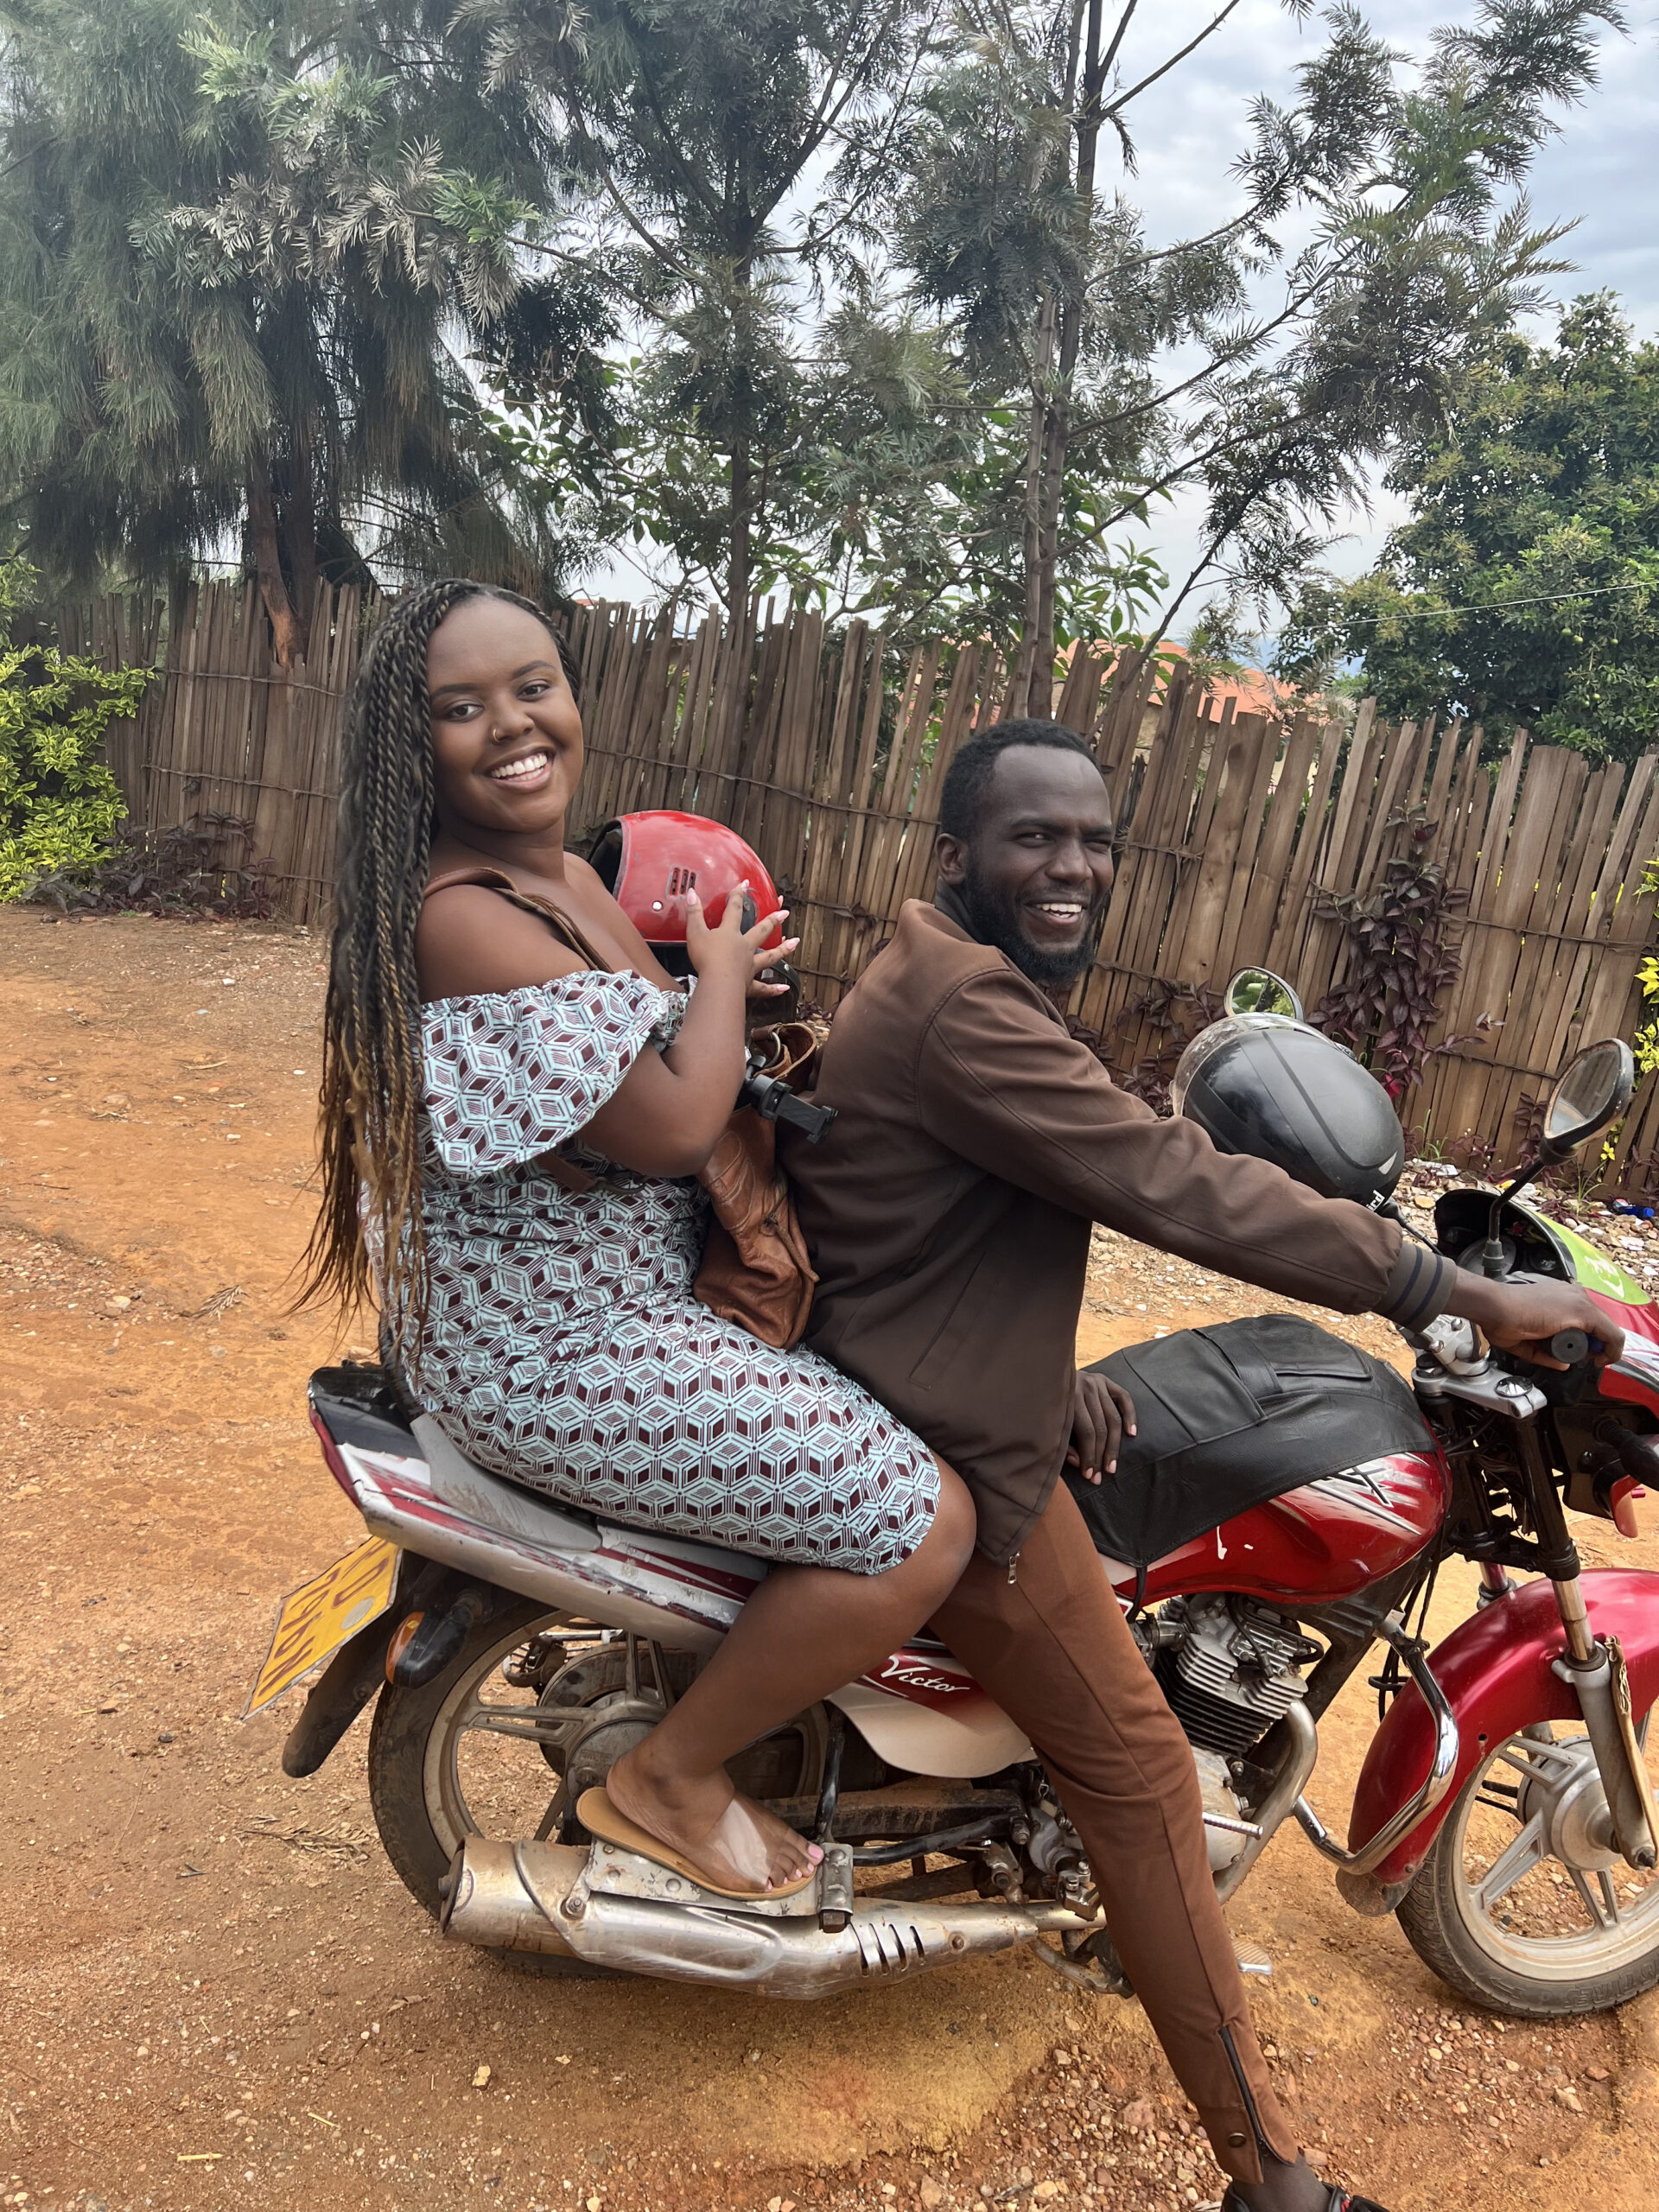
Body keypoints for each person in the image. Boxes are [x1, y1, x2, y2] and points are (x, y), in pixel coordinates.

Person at [783, 717, 1621, 2212]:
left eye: (1096, 840)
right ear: (958, 853)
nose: (1075, 865)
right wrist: (1459, 1292)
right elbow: (1170, 1181)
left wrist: (1053, 1375)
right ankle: (1273, 2180)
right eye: (1037, 836)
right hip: (939, 1436)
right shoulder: (973, 1007)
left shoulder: (950, 976)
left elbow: (991, 1207)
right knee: (1143, 1771)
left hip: (941, 1370)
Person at [301, 577, 975, 1900]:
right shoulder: (462, 916)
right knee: (924, 1528)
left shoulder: (548, 875)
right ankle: (671, 1775)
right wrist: (721, 977)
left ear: (574, 694)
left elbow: (645, 1040)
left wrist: (711, 996)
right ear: (408, 743)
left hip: (597, 1314)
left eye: (533, 686)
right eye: (460, 708)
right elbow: (671, 1125)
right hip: (557, 1355)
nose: (510, 724)